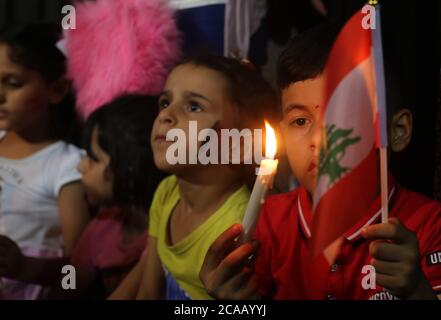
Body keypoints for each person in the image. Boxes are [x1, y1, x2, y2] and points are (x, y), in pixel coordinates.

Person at [199, 22, 441, 300]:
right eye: (300, 121)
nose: (319, 139)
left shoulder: (430, 225)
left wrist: (416, 290)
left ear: (396, 131)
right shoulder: (268, 223)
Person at [136, 54, 278, 300]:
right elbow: (149, 292)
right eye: (164, 102)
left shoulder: (240, 231)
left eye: (193, 106)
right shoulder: (167, 192)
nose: (165, 115)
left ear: (239, 146)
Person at [0, 95, 164, 299]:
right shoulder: (104, 225)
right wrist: (24, 267)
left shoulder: (161, 240)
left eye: (93, 159)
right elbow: (73, 277)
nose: (80, 166)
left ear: (129, 170)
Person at [0, 22, 90, 299]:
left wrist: (25, 267)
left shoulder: (66, 166)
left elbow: (82, 273)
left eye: (13, 83)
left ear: (58, 90)